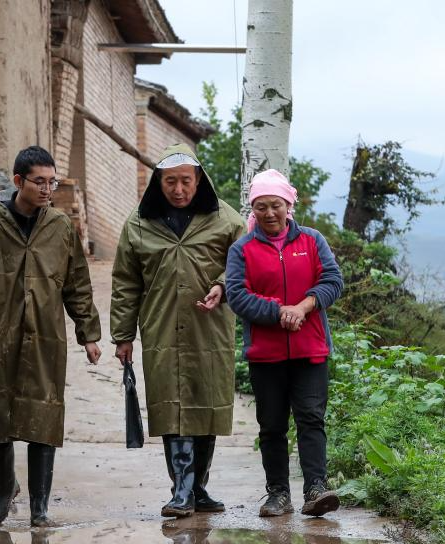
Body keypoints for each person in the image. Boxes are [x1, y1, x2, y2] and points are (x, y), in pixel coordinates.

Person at [0, 145, 101, 527]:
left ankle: (40, 506)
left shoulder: (60, 227)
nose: (48, 189)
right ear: (19, 181)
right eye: (40, 182)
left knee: (42, 416)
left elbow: (78, 284)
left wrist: (88, 334)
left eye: (53, 182)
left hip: (45, 338)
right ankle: (3, 488)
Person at [110, 143, 245, 518]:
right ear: (159, 181)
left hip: (210, 329)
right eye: (171, 182)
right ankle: (181, 490)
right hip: (161, 327)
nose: (179, 190)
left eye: (186, 181)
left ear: (199, 179)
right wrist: (123, 335)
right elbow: (125, 282)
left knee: (206, 405)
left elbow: (243, 262)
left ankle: (197, 487)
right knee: (173, 407)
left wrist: (221, 285)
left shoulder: (225, 219)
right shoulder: (139, 223)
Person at [225, 169, 344, 517]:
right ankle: (278, 493)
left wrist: (304, 306)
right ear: (253, 209)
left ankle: (316, 489)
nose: (269, 213)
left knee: (311, 419)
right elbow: (237, 295)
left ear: (288, 205)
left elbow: (333, 281)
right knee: (272, 425)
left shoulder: (311, 241)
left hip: (310, 350)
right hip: (267, 355)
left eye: (275, 205)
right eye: (261, 207)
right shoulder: (242, 249)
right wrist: (279, 312)